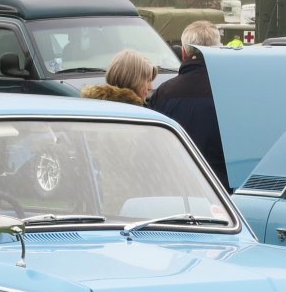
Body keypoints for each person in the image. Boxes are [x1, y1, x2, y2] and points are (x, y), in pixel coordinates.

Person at [148, 20, 231, 191]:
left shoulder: (163, 92)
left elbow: (154, 145)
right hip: (222, 188)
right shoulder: (232, 91)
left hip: (175, 183)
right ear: (218, 49)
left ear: (184, 52)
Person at [80, 49, 156, 106]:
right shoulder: (134, 115)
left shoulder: (90, 105)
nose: (150, 87)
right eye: (148, 80)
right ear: (134, 81)